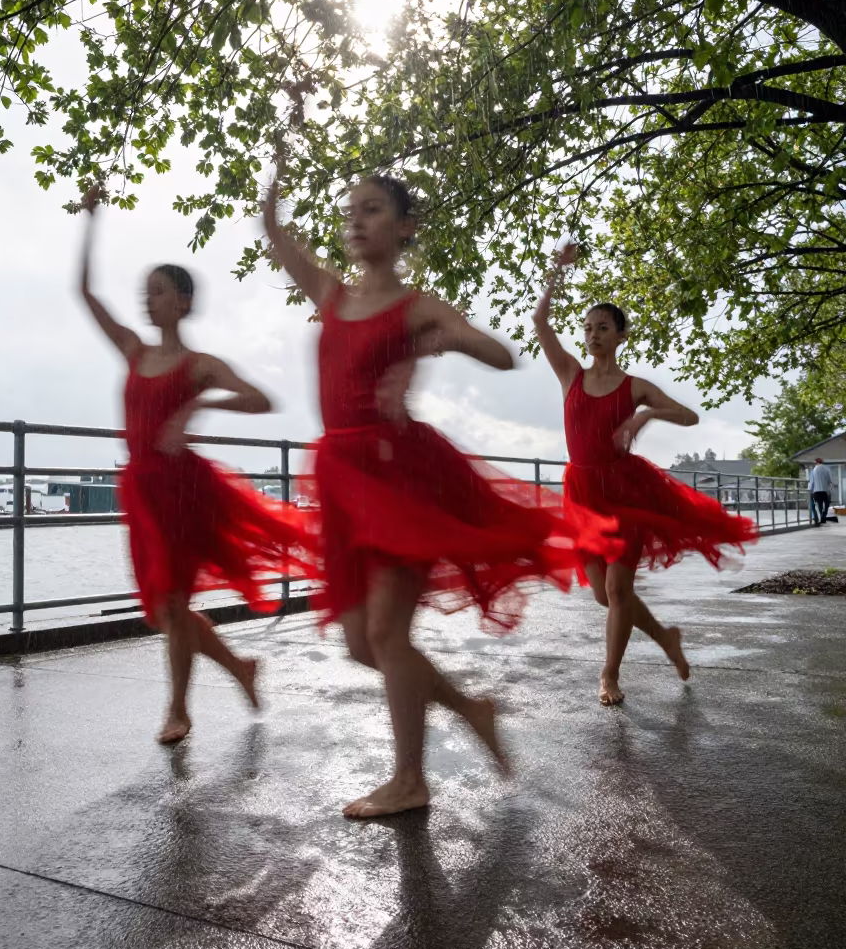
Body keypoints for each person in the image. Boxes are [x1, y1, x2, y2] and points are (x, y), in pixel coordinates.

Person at [263, 171, 620, 817]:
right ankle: (469, 708)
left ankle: (409, 779)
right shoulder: (332, 293)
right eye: (351, 211)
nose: (357, 220)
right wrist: (282, 152)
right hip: (342, 478)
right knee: (358, 643)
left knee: (387, 634)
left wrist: (448, 337)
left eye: (372, 210)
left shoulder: (416, 304)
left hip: (400, 472)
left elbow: (502, 355)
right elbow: (276, 234)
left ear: (404, 227)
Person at [77, 186, 315, 744]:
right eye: (145, 292)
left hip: (183, 492)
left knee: (175, 604)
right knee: (165, 611)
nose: (147, 300)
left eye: (158, 291)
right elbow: (86, 294)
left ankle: (178, 710)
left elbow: (261, 399)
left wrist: (201, 403)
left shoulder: (198, 364)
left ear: (182, 301)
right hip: (141, 491)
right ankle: (239, 668)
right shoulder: (135, 351)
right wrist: (89, 222)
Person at [534, 243, 758, 706]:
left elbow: (689, 416)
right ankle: (664, 637)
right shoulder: (570, 375)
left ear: (620, 336)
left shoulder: (634, 386)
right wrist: (556, 271)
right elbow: (540, 323)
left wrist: (644, 416)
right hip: (581, 493)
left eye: (603, 328)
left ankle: (608, 675)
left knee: (618, 588)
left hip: (624, 491)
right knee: (603, 595)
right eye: (589, 328)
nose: (593, 334)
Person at [809, 458, 834, 524]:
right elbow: (830, 480)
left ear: (816, 463)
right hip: (825, 490)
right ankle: (824, 515)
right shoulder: (827, 468)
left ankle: (821, 517)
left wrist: (810, 490)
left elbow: (812, 482)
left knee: (819, 505)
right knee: (827, 504)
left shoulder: (814, 470)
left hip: (816, 491)